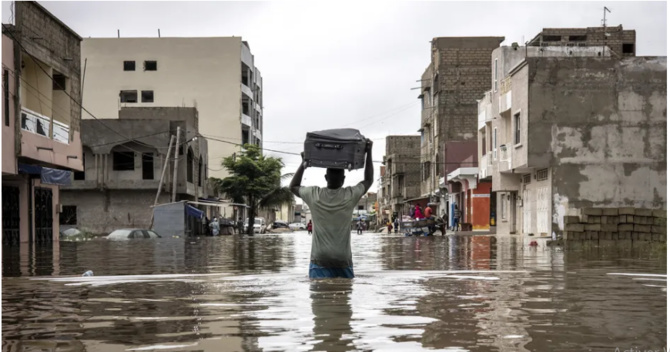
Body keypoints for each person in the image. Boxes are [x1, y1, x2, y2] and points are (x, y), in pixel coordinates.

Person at [290, 139, 374, 279]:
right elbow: (369, 180)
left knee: (320, 298)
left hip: (320, 259)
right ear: (343, 179)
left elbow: (293, 186)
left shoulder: (314, 195)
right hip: (343, 260)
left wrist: (303, 164)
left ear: (325, 177)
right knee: (344, 297)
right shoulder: (350, 195)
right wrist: (369, 152)